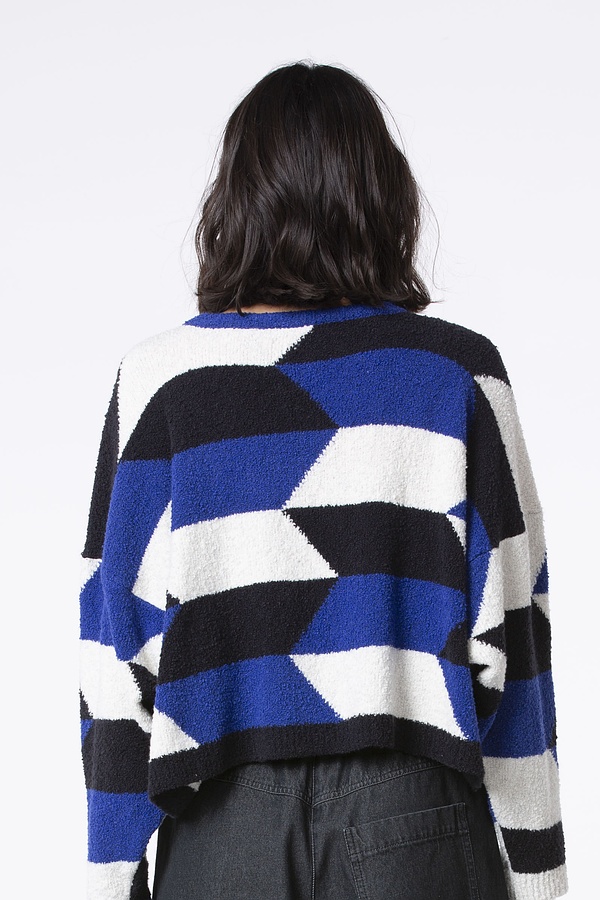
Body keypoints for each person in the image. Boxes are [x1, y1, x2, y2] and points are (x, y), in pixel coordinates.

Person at [79, 61, 567, 900]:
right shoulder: (454, 376)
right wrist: (540, 873)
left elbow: (113, 660)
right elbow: (516, 644)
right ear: (383, 195)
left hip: (221, 832)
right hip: (416, 822)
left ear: (236, 199)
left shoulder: (164, 385)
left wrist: (111, 877)